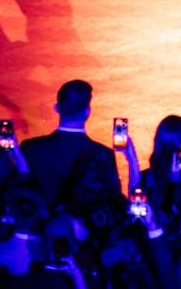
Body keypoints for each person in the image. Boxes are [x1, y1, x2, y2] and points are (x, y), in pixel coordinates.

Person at [20, 79, 122, 209]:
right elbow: (112, 200)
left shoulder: (30, 148)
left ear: (57, 108)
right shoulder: (103, 154)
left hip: (39, 226)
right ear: (88, 111)